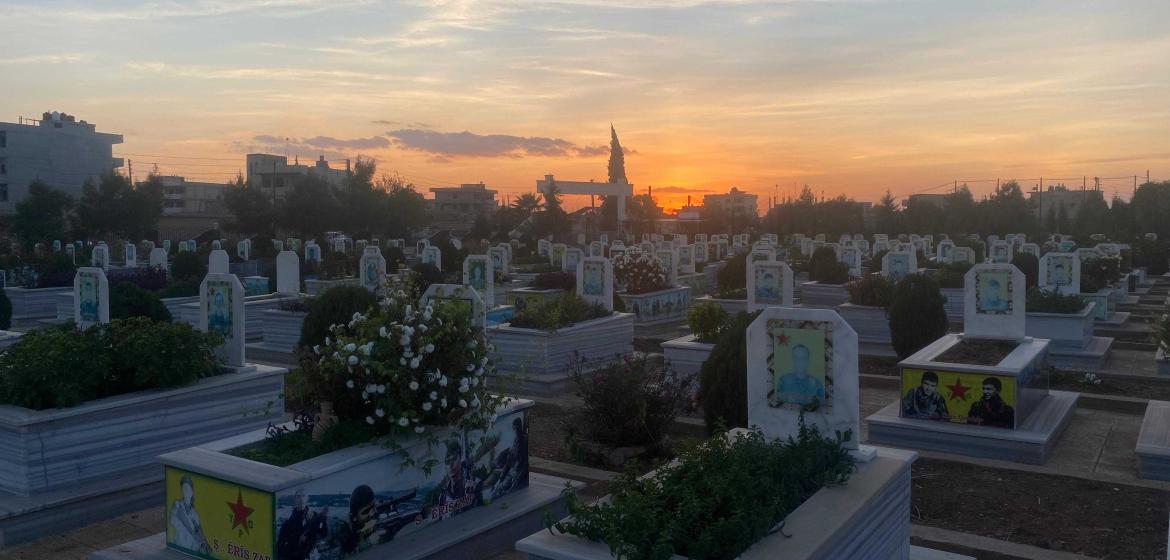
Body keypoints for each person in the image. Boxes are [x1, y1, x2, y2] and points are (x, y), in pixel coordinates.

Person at [276, 489, 329, 560]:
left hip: (311, 556)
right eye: (298, 496)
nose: (301, 499)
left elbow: (323, 533)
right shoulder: (287, 523)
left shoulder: (314, 516)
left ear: (307, 498)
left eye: (303, 496)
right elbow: (280, 548)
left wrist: (323, 518)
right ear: (295, 499)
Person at [168, 475, 211, 555]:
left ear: (192, 492)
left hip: (192, 549)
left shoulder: (194, 514)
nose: (186, 491)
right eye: (184, 488)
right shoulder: (177, 505)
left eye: (188, 489)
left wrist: (204, 543)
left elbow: (198, 530)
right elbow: (172, 520)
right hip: (179, 547)